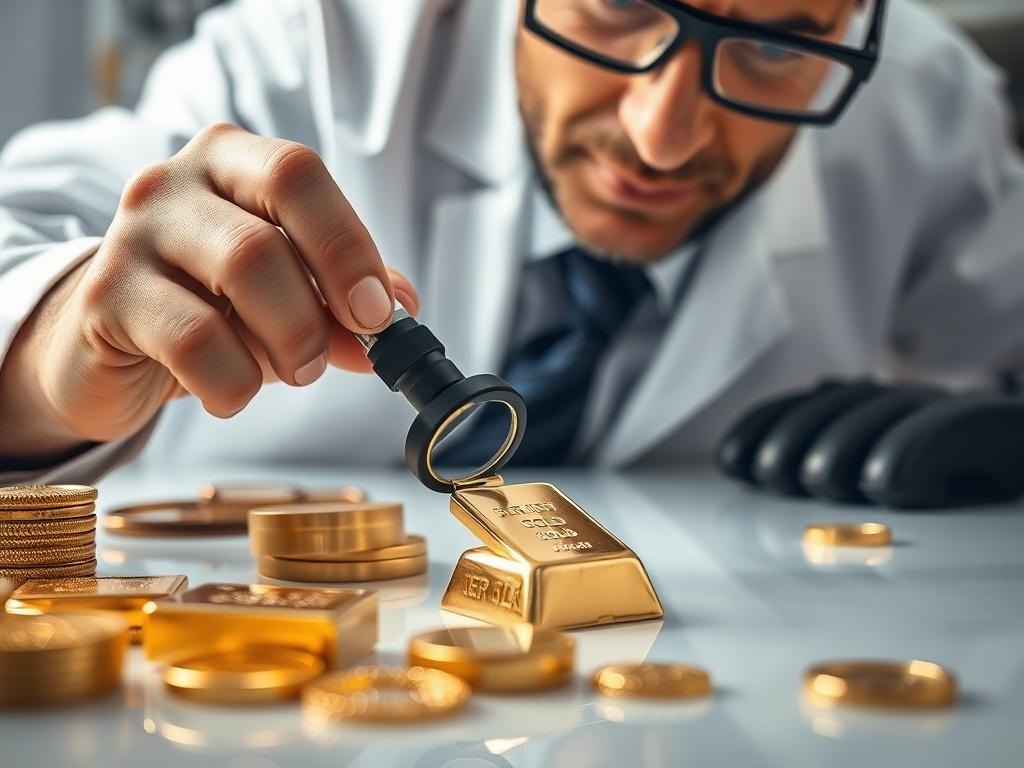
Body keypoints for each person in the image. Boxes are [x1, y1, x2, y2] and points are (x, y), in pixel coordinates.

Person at [0, 0, 1021, 484]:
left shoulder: (925, 106)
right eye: (619, 7)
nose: (661, 138)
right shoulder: (310, 48)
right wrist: (52, 359)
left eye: (770, 45)